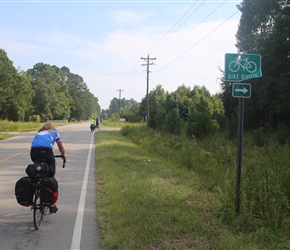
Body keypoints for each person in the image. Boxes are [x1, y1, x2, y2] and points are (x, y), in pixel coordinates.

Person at [30, 121, 67, 213]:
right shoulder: (54, 132)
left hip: (34, 153)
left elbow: (35, 144)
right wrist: (63, 155)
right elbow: (61, 148)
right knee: (51, 173)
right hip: (47, 152)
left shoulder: (39, 133)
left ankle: (35, 189)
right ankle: (51, 203)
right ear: (52, 127)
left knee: (38, 170)